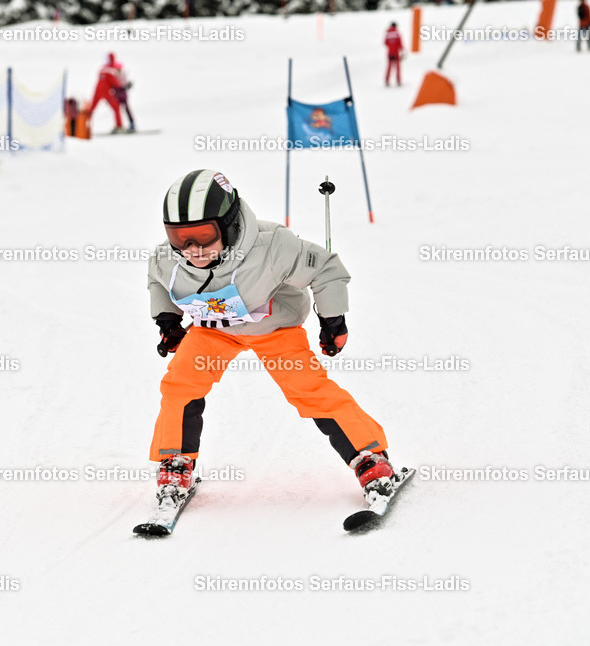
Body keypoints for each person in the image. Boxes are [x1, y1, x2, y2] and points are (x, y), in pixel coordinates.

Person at [146, 169, 405, 507]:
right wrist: (167, 320)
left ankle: (370, 458)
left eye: (203, 235)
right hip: (214, 329)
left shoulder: (272, 246)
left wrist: (332, 319)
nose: (192, 249)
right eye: (179, 237)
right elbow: (158, 280)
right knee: (180, 384)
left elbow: (325, 269)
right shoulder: (169, 257)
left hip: (273, 328)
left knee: (308, 388)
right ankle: (176, 462)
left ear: (228, 225)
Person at [90, 52, 125, 133]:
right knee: (116, 107)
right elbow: (115, 82)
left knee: (91, 109)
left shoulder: (102, 69)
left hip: (97, 91)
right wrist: (122, 87)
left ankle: (83, 125)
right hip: (107, 92)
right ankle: (119, 126)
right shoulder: (111, 70)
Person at [112, 59, 136, 133]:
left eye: (119, 68)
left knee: (126, 109)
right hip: (117, 95)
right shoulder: (114, 75)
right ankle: (119, 125)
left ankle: (132, 124)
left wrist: (128, 85)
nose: (118, 70)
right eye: (117, 68)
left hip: (123, 95)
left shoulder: (123, 74)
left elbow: (126, 84)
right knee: (117, 110)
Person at [384, 22, 404, 87]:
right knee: (397, 67)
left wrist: (390, 46)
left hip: (390, 52)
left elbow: (385, 43)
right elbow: (400, 43)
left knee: (389, 67)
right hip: (396, 53)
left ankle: (387, 80)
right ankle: (398, 81)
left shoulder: (388, 33)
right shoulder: (397, 33)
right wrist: (402, 50)